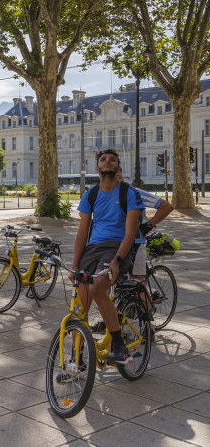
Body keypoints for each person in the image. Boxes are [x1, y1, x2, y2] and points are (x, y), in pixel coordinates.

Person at [72, 149, 144, 367]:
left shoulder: (129, 193)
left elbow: (131, 233)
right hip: (93, 248)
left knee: (96, 288)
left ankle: (120, 347)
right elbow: (82, 232)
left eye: (112, 159)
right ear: (97, 168)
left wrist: (117, 260)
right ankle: (77, 361)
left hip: (117, 248)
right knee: (79, 304)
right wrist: (74, 265)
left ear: (117, 167)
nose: (107, 162)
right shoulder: (90, 195)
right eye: (103, 159)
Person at [116, 166, 174, 280]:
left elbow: (167, 207)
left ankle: (144, 296)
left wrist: (147, 226)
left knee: (137, 286)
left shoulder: (134, 193)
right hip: (110, 243)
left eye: (116, 171)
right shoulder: (99, 195)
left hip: (135, 244)